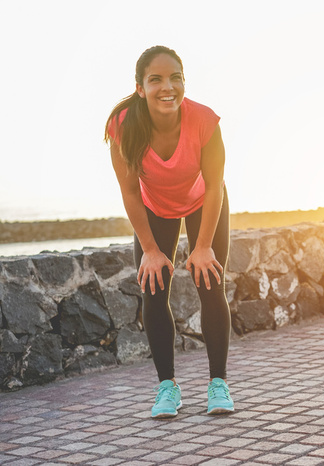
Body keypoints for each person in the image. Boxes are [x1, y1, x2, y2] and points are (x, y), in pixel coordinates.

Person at [105, 46, 234, 419]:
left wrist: (203, 245)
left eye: (175, 77)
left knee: (210, 282)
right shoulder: (124, 125)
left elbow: (214, 186)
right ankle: (167, 387)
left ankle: (218, 383)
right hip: (154, 207)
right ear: (141, 88)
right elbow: (130, 191)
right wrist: (150, 249)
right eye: (156, 79)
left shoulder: (204, 120)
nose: (168, 86)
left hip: (202, 202)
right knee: (153, 288)